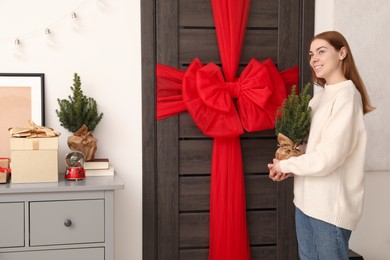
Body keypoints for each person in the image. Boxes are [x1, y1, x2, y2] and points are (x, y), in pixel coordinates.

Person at [268, 31, 374, 260]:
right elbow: (311, 147)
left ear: (342, 53)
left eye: (321, 51)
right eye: (311, 54)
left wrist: (288, 166)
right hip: (305, 204)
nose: (314, 58)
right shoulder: (319, 98)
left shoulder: (347, 96)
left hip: (329, 210)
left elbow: (329, 157)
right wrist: (285, 165)